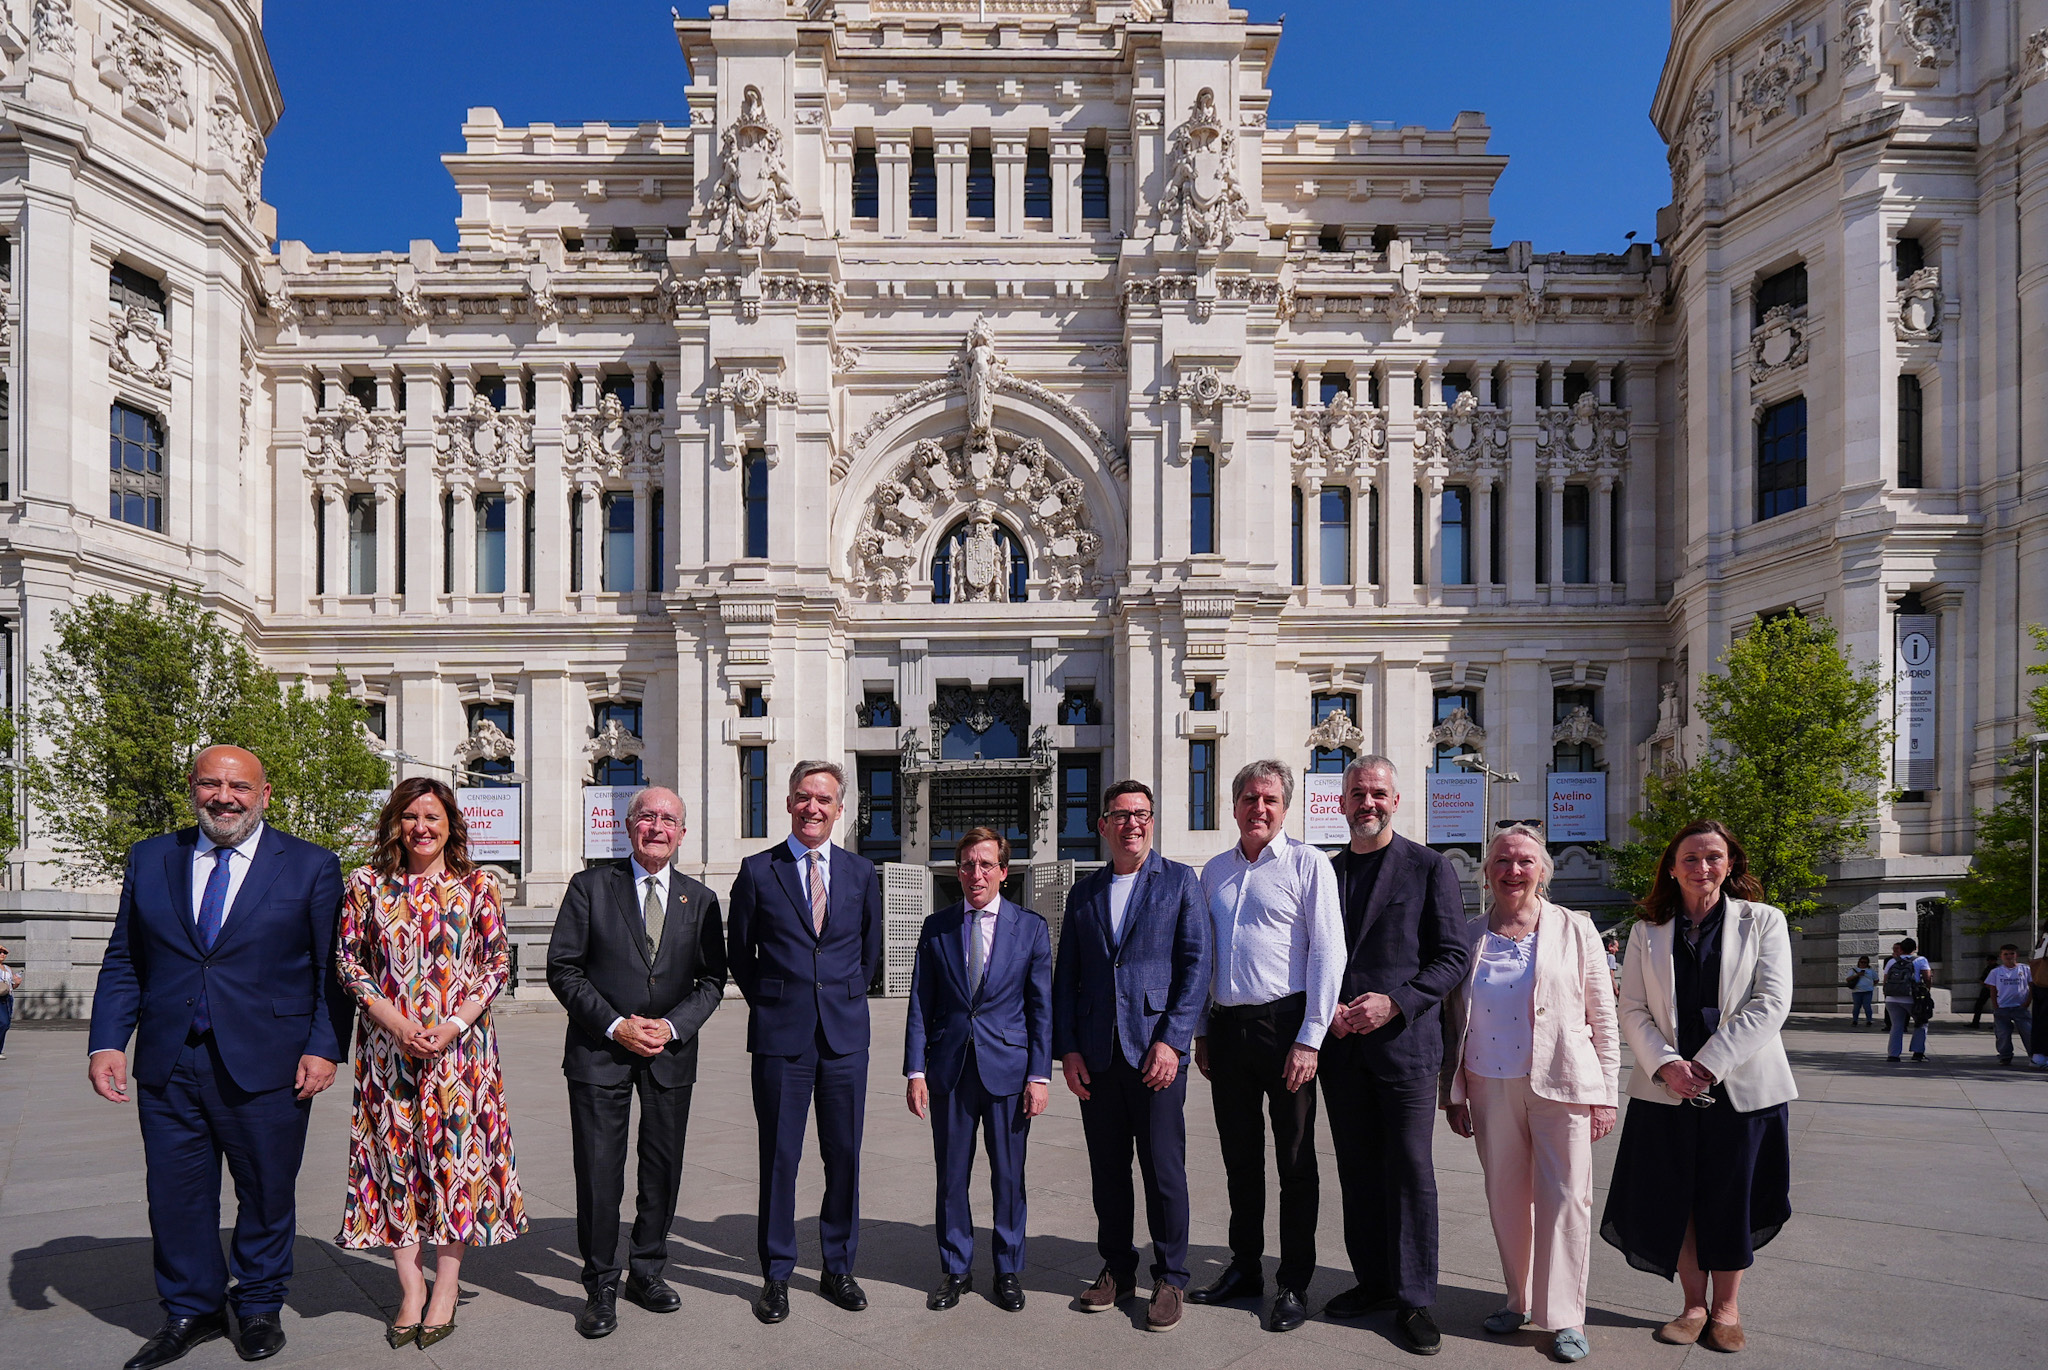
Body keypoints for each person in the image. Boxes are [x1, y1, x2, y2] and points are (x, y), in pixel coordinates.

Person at [87, 745, 351, 1369]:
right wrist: (106, 1041)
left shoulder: (312, 866)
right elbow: (126, 957)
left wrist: (323, 1047)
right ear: (192, 788)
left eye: (238, 786)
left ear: (264, 795)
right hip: (169, 1060)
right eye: (211, 784)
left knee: (265, 1190)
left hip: (270, 1060)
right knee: (176, 1194)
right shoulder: (153, 857)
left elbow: (329, 972)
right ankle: (191, 1309)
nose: (223, 797)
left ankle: (258, 1304)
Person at [334, 778, 526, 1348]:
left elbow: (495, 965)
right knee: (394, 1163)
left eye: (433, 817)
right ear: (395, 822)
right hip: (387, 1052)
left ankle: (445, 1287)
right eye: (410, 816)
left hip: (461, 1052)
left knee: (455, 1163)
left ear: (450, 825)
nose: (421, 827)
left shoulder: (477, 886)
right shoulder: (366, 885)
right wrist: (394, 1023)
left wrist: (452, 1024)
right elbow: (348, 960)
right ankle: (409, 1288)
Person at [1600, 819, 1795, 1357]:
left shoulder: (1763, 922)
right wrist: (1668, 1066)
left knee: (1731, 1197)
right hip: (1666, 1089)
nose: (1702, 867)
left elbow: (1771, 1003)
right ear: (1671, 866)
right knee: (1677, 1195)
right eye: (1690, 857)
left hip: (1743, 1089)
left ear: (1730, 864)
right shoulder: (1647, 930)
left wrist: (1706, 1065)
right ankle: (1693, 1306)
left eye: (1714, 857)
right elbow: (1632, 1009)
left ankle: (1727, 1309)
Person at [547, 786, 727, 1338]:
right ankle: (600, 1281)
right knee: (600, 1171)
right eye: (646, 816)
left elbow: (712, 978)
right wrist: (616, 1025)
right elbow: (564, 968)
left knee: (661, 1169)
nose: (657, 826)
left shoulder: (699, 900)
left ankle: (646, 1270)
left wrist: (671, 1026)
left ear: (682, 832)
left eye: (668, 819)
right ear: (628, 827)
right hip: (600, 1053)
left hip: (669, 1054)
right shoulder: (590, 887)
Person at [1440, 826, 1618, 1364]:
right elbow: (1454, 1020)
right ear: (1486, 870)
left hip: (1564, 1083)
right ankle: (1518, 1300)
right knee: (1506, 1198)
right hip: (1489, 1083)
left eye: (1524, 861)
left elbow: (1601, 1014)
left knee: (1567, 1199)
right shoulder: (1469, 934)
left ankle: (1565, 1318)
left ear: (1542, 870)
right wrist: (1454, 1092)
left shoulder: (1576, 928)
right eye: (1501, 861)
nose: (1512, 871)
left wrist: (1606, 1092)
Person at [1319, 756, 1469, 1355]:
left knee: (1409, 1173)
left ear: (1396, 800)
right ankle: (1374, 1281)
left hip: (1404, 1049)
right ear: (1341, 802)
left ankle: (1414, 1299)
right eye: (1357, 793)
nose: (1368, 803)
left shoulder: (1429, 866)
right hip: (1342, 1050)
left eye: (1378, 793)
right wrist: (1323, 1005)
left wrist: (1397, 1003)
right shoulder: (1324, 872)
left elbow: (1453, 956)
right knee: (1357, 1172)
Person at [1051, 780, 1212, 1333]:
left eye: (1141, 814)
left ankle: (1171, 1276)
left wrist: (1173, 1040)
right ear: (1103, 825)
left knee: (1164, 1169)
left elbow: (1196, 967)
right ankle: (1117, 1268)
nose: (1132, 824)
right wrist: (1067, 1048)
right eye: (1120, 815)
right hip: (1097, 1054)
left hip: (1156, 1053)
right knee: (1108, 1171)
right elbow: (1066, 976)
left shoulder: (1179, 883)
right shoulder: (1085, 893)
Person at [1188, 760, 1342, 1334]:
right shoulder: (1214, 872)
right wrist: (1202, 1029)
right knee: (1239, 1159)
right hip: (1228, 1030)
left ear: (1286, 807)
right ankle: (1245, 1267)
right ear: (1234, 806)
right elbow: (1204, 957)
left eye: (1271, 800)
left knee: (1296, 1161)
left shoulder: (1308, 865)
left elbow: (1329, 953)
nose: (1260, 808)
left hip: (1286, 1030)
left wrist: (1311, 1038)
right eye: (1250, 798)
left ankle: (1294, 1282)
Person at [728, 761, 884, 1324]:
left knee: (843, 1156)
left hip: (844, 1038)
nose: (813, 808)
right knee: (780, 1157)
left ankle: (839, 1266)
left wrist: (839, 997)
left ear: (840, 808)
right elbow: (740, 953)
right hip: (781, 1038)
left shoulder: (862, 872)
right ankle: (777, 1274)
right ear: (788, 803)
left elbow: (870, 954)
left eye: (824, 799)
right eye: (803, 798)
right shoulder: (756, 870)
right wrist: (775, 1000)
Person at [903, 828, 1053, 1313]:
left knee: (1009, 1177)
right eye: (968, 864)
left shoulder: (1029, 928)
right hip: (949, 1070)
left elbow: (1040, 1009)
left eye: (986, 864)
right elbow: (921, 1003)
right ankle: (956, 1269)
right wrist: (915, 1071)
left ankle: (1008, 1270)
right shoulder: (936, 927)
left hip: (1009, 1070)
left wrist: (1039, 1075)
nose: (976, 874)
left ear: (1004, 873)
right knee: (951, 1176)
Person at [1982, 944, 2034, 1067]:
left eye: (2012, 954)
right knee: (2003, 1034)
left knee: (2028, 1032)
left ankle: (2034, 1055)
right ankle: (2005, 1056)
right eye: (2006, 954)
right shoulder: (1996, 972)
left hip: (2020, 1007)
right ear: (2001, 956)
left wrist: (2027, 1002)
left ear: (2017, 955)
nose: (2009, 957)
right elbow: (1993, 989)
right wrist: (1995, 1006)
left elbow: (2032, 986)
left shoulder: (2025, 969)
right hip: (2003, 1008)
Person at [1882, 937, 1932, 1062]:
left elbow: (1885, 980)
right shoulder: (1921, 960)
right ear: (1915, 948)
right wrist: (1926, 991)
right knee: (1921, 1023)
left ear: (1901, 949)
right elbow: (1927, 977)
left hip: (1892, 999)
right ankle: (1917, 1052)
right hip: (1912, 998)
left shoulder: (1891, 961)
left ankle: (1893, 1055)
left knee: (1896, 1026)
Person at [1845, 957, 1877, 1029]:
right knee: (1856, 1006)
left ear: (1867, 963)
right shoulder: (1853, 970)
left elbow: (1876, 980)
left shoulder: (1871, 971)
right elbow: (1848, 979)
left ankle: (1869, 1020)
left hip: (1867, 991)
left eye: (1865, 962)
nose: (1863, 964)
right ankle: (1855, 1020)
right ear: (1859, 962)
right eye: (1861, 962)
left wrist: (1871, 985)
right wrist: (1857, 975)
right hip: (1857, 991)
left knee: (1867, 1006)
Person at [0, 943, 19, 1059]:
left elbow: (12, 986)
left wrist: (17, 982)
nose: (2, 954)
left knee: (6, 1025)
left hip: (8, 997)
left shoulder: (7, 968)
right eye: (0, 952)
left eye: (5, 953)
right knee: (3, 1023)